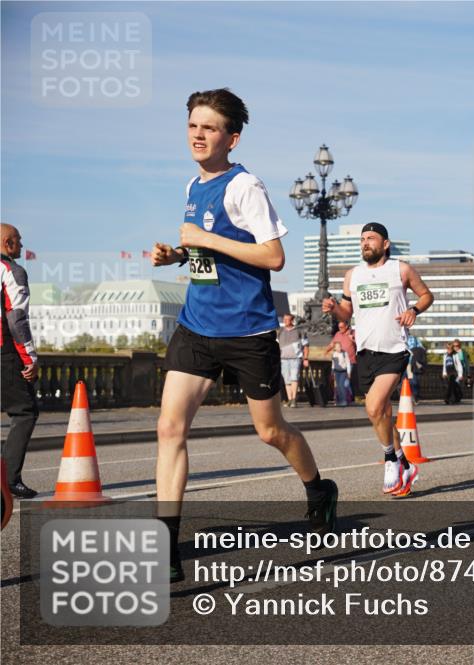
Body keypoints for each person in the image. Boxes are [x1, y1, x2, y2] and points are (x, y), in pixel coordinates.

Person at [150, 88, 337, 581]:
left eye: (208, 128)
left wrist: (205, 239)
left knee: (270, 431)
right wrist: (177, 257)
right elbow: (207, 257)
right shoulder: (194, 186)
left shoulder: (245, 187)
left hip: (247, 331)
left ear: (231, 138)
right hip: (195, 324)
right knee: (170, 429)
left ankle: (319, 489)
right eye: (192, 125)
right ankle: (167, 548)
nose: (197, 134)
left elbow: (273, 256)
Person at [323, 222, 433, 497]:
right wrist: (335, 308)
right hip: (365, 351)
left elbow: (426, 295)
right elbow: (347, 312)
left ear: (385, 244)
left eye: (371, 238)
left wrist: (413, 310)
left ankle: (390, 460)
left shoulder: (401, 269)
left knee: (373, 407)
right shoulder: (353, 275)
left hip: (393, 349)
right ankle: (405, 464)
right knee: (381, 414)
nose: (365, 243)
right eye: (362, 239)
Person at [1, 223, 40, 499]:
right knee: (25, 412)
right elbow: (17, 320)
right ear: (7, 243)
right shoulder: (13, 272)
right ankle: (8, 480)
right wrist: (30, 358)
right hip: (4, 353)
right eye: (19, 241)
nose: (22, 246)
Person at [277, 313, 309, 408]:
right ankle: (290, 399)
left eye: (288, 319)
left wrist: (306, 358)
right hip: (283, 359)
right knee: (287, 380)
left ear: (292, 321)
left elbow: (306, 345)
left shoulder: (299, 331)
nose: (285, 321)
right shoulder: (280, 332)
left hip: (295, 358)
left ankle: (294, 399)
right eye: (284, 319)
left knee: (294, 378)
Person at [326, 320, 357, 404]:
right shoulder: (337, 334)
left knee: (345, 383)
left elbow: (360, 343)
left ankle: (346, 399)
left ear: (347, 326)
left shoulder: (353, 333)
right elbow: (332, 344)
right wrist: (326, 351)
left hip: (349, 361)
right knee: (341, 384)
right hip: (339, 363)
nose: (340, 329)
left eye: (342, 327)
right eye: (339, 327)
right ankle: (345, 399)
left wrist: (353, 339)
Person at [329, 341, 352, 406]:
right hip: (336, 371)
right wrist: (332, 372)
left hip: (343, 371)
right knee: (338, 386)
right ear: (335, 348)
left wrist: (349, 372)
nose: (339, 348)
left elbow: (348, 363)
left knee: (342, 385)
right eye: (337, 347)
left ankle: (344, 400)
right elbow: (333, 364)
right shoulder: (334, 354)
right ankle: (339, 400)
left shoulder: (344, 353)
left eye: (340, 346)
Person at [406, 335, 426, 403]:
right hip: (405, 363)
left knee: (413, 382)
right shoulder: (401, 337)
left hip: (412, 363)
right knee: (407, 382)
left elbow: (422, 349)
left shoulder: (413, 338)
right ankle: (410, 397)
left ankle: (415, 396)